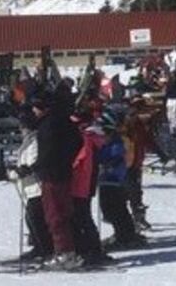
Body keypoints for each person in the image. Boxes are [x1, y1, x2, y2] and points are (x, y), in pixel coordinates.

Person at [32, 91, 84, 271]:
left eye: (36, 107)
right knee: (64, 212)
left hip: (52, 174)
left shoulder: (48, 125)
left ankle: (64, 252)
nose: (34, 111)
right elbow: (78, 142)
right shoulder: (65, 121)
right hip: (65, 171)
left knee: (55, 214)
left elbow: (47, 152)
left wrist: (35, 167)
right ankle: (70, 250)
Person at [11, 106, 52, 261]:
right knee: (32, 217)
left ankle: (45, 248)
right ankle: (39, 246)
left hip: (38, 185)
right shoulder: (27, 141)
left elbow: (34, 162)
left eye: (23, 127)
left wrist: (21, 171)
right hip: (28, 186)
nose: (21, 130)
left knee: (36, 217)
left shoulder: (35, 141)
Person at [98, 112, 143, 249]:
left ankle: (125, 236)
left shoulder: (117, 143)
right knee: (110, 209)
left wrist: (105, 166)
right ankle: (123, 233)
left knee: (115, 209)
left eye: (104, 132)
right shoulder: (109, 143)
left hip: (114, 180)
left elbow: (117, 159)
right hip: (105, 180)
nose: (102, 136)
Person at [70, 111, 108, 265]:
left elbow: (79, 163)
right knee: (82, 216)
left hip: (81, 184)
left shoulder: (86, 139)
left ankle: (91, 248)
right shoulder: (90, 138)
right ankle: (90, 247)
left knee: (82, 216)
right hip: (86, 183)